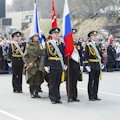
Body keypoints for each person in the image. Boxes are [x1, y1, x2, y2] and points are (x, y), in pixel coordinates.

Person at [44, 27, 65, 104]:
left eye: (57, 33)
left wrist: (64, 64)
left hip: (59, 65)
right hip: (52, 65)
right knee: (52, 83)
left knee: (58, 82)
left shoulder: (61, 44)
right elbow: (46, 55)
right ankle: (52, 98)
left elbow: (63, 55)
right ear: (51, 35)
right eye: (55, 33)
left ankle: (58, 97)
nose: (56, 35)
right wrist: (46, 65)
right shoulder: (48, 43)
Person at [24, 32, 45, 98]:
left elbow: (43, 55)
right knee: (31, 79)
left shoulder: (41, 45)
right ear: (32, 38)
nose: (36, 38)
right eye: (35, 37)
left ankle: (36, 92)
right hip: (31, 65)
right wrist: (29, 63)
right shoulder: (28, 46)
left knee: (38, 79)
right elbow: (25, 56)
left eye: (37, 37)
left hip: (39, 65)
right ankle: (32, 92)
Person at [66, 28, 83, 102]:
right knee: (69, 81)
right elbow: (65, 54)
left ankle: (74, 96)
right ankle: (70, 96)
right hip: (70, 64)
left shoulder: (78, 44)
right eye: (72, 34)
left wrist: (81, 64)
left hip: (76, 64)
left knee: (75, 81)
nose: (74, 35)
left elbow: (81, 55)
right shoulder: (67, 43)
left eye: (75, 34)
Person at [84, 31, 102, 101]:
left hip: (97, 65)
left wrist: (101, 63)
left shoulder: (97, 45)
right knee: (91, 81)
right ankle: (91, 95)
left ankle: (95, 94)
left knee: (96, 81)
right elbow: (86, 56)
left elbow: (99, 55)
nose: (95, 37)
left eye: (95, 36)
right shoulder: (88, 45)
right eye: (93, 36)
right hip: (91, 64)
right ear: (90, 37)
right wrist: (86, 65)